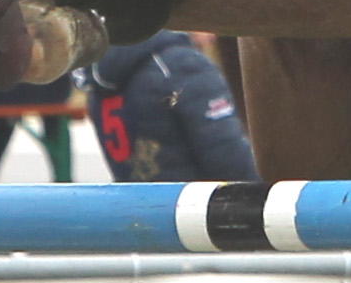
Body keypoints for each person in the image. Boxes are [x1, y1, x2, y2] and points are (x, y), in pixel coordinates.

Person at [75, 32, 258, 183]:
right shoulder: (183, 65)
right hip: (193, 211)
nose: (216, 32)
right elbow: (226, 155)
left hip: (135, 210)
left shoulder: (101, 76)